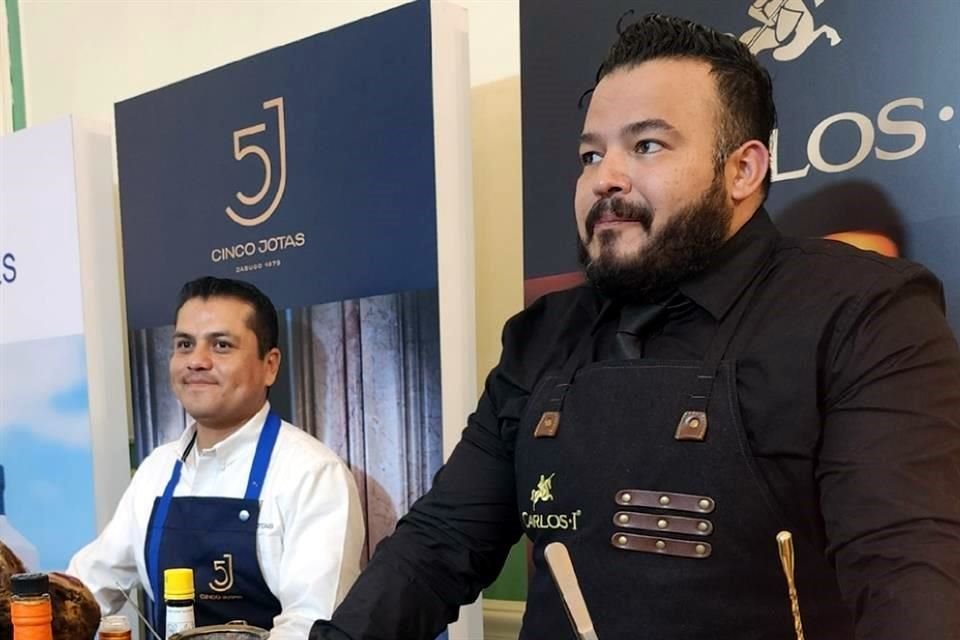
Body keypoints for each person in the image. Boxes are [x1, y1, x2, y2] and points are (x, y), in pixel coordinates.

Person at [309, 13, 960, 640]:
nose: (605, 180)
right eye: (591, 155)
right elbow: (440, 543)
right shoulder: (540, 335)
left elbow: (909, 570)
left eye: (646, 145)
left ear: (743, 169)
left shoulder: (863, 312)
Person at [68, 276, 365, 640]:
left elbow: (312, 625)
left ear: (269, 365)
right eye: (184, 344)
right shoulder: (158, 470)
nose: (196, 361)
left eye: (221, 345)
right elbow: (89, 588)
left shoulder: (313, 474)